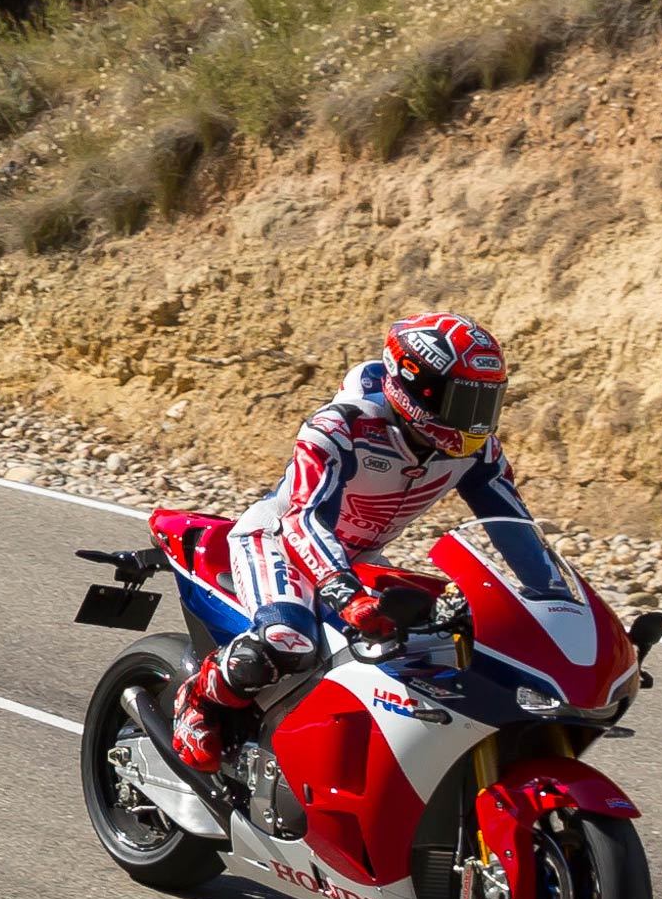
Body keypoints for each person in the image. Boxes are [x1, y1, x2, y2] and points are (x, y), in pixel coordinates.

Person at [171, 311, 533, 773]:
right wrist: (345, 594)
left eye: (486, 403)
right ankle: (197, 699)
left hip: (355, 559)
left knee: (435, 645)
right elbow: (304, 518)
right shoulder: (342, 426)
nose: (475, 420)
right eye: (462, 402)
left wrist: (568, 606)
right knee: (288, 640)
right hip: (280, 541)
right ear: (415, 386)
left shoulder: (479, 451)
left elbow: (516, 529)